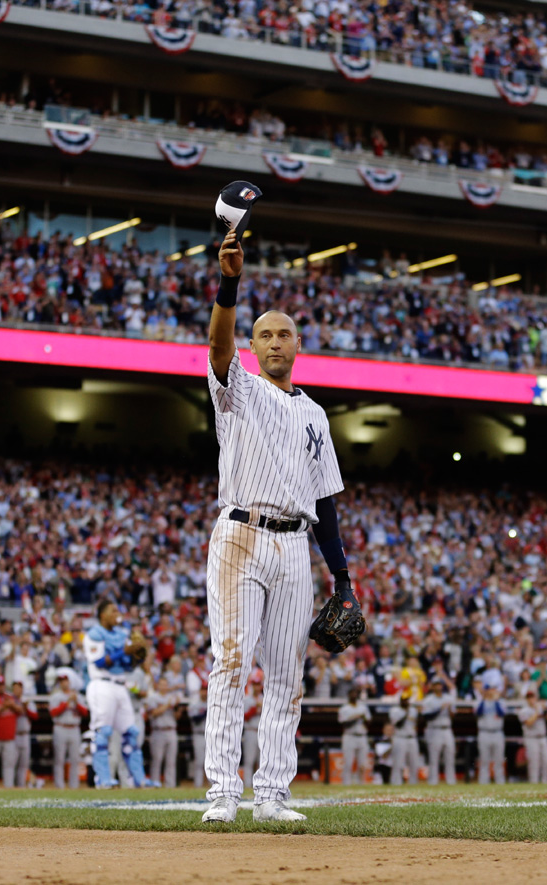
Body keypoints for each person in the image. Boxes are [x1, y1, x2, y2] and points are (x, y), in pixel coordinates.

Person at [202, 219, 356, 824]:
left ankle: (272, 795)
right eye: (262, 334)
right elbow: (219, 348)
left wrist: (342, 579)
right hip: (240, 534)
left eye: (282, 335)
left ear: (297, 345)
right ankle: (222, 792)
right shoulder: (236, 387)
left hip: (295, 546)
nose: (271, 343)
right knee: (232, 663)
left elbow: (327, 506)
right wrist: (228, 285)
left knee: (288, 674)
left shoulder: (316, 414)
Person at [83, 600, 149, 788]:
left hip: (121, 684)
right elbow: (99, 662)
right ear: (102, 614)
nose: (117, 614)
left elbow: (127, 664)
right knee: (103, 733)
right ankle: (102, 779)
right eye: (113, 610)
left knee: (131, 732)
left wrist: (137, 658)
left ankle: (138, 780)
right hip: (101, 684)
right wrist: (125, 651)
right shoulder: (94, 634)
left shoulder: (121, 634)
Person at [49, 673, 88, 789]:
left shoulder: (77, 696)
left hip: (74, 728)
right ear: (59, 684)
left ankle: (74, 785)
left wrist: (75, 702)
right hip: (60, 727)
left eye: (66, 681)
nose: (64, 683)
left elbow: (85, 713)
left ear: (69, 682)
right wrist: (66, 703)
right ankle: (59, 785)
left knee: (75, 759)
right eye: (61, 681)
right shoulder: (56, 696)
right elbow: (53, 713)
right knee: (59, 759)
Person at [144, 675, 183, 788]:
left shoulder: (172, 697)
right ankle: (155, 784)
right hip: (158, 731)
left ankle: (170, 785)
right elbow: (153, 713)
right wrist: (167, 705)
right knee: (157, 759)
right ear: (157, 685)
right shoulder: (153, 697)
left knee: (171, 761)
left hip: (171, 730)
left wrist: (177, 708)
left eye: (166, 685)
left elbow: (176, 717)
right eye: (161, 684)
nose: (164, 687)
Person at [422, 678, 456, 785]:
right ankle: (433, 781)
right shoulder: (428, 700)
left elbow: (453, 715)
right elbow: (427, 716)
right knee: (433, 757)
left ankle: (451, 781)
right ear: (432, 686)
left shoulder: (448, 698)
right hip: (434, 729)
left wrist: (450, 710)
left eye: (439, 685)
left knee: (450, 756)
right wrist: (440, 708)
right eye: (436, 685)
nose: (438, 687)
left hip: (447, 729)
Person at [517, 687, 547, 783]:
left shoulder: (541, 708)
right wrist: (537, 711)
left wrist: (546, 709)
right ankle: (534, 782)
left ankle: (545, 782)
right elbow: (529, 723)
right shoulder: (524, 711)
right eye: (529, 697)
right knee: (534, 762)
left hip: (543, 737)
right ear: (527, 699)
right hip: (531, 738)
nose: (532, 699)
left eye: (533, 697)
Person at [338, 687, 370, 785]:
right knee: (348, 762)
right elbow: (343, 724)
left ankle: (361, 783)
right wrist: (356, 718)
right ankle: (346, 783)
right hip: (349, 736)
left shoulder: (363, 707)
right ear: (348, 695)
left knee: (362, 763)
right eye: (352, 693)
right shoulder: (344, 708)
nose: (354, 695)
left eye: (355, 693)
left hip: (362, 736)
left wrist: (364, 718)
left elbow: (369, 721)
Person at [475, 683, 506, 784]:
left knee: (499, 760)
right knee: (484, 760)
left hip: (497, 732)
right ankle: (483, 782)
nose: (490, 691)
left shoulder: (501, 702)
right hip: (484, 732)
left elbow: (501, 713)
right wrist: (484, 698)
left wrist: (496, 700)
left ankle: (500, 782)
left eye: (492, 689)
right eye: (488, 689)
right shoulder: (480, 702)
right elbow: (478, 712)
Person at [11, 680, 38, 787]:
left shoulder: (28, 701)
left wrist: (25, 708)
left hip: (25, 734)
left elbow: (35, 716)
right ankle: (10, 786)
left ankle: (21, 786)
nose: (17, 690)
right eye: (15, 688)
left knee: (24, 764)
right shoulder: (10, 700)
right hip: (14, 735)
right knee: (12, 763)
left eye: (19, 688)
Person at [389, 694, 420, 785]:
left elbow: (415, 723)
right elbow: (398, 724)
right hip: (400, 738)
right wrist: (406, 714)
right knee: (398, 763)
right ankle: (396, 782)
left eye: (407, 700)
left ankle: (414, 783)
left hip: (412, 738)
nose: (406, 702)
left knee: (414, 762)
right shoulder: (395, 710)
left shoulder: (413, 710)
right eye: (404, 700)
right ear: (400, 701)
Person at [242, 678, 263, 789]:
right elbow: (244, 717)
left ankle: (260, 785)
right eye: (254, 685)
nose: (256, 687)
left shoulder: (264, 699)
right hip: (250, 730)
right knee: (249, 760)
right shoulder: (247, 699)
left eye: (258, 685)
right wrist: (256, 708)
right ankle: (247, 784)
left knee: (262, 761)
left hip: (262, 732)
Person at [187, 681, 208, 789]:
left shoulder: (212, 702)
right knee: (199, 762)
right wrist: (206, 712)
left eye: (206, 690)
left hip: (210, 736)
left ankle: (212, 787)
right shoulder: (194, 703)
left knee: (212, 763)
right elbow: (194, 719)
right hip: (199, 734)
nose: (204, 692)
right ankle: (198, 786)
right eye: (203, 690)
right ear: (199, 691)